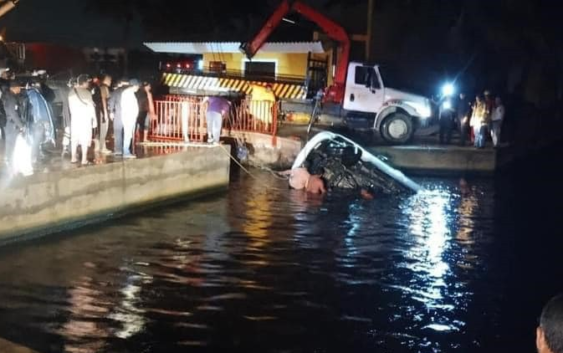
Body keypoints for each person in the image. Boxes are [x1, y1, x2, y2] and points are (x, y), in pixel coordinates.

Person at [68, 74, 97, 165]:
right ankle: (84, 159)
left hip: (75, 119)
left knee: (74, 139)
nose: (88, 84)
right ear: (84, 82)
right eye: (87, 82)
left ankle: (73, 158)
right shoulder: (87, 93)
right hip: (85, 119)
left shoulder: (71, 92)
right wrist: (94, 120)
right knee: (85, 139)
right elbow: (91, 108)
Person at [1, 81, 24, 168]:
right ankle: (10, 161)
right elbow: (13, 113)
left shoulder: (6, 96)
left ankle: (8, 159)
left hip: (7, 123)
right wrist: (21, 125)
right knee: (11, 142)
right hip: (11, 123)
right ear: (14, 88)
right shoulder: (11, 98)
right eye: (19, 87)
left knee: (9, 142)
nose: (20, 89)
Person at [120, 79, 140, 158]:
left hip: (129, 117)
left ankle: (127, 151)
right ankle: (126, 152)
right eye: (137, 85)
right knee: (128, 134)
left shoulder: (128, 93)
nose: (138, 87)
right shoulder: (128, 93)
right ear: (134, 85)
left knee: (128, 134)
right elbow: (128, 106)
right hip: (129, 117)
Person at [93, 74, 112, 154]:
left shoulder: (96, 88)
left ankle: (97, 146)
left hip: (96, 110)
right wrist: (105, 113)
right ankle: (103, 147)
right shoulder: (104, 88)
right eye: (110, 80)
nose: (110, 82)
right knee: (103, 129)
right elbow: (104, 99)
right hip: (102, 111)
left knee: (98, 129)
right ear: (106, 80)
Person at [108, 79, 128, 156]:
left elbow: (111, 102)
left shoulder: (116, 92)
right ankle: (126, 149)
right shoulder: (129, 91)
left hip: (119, 114)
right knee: (127, 132)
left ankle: (118, 149)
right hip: (128, 114)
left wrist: (111, 112)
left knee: (117, 131)